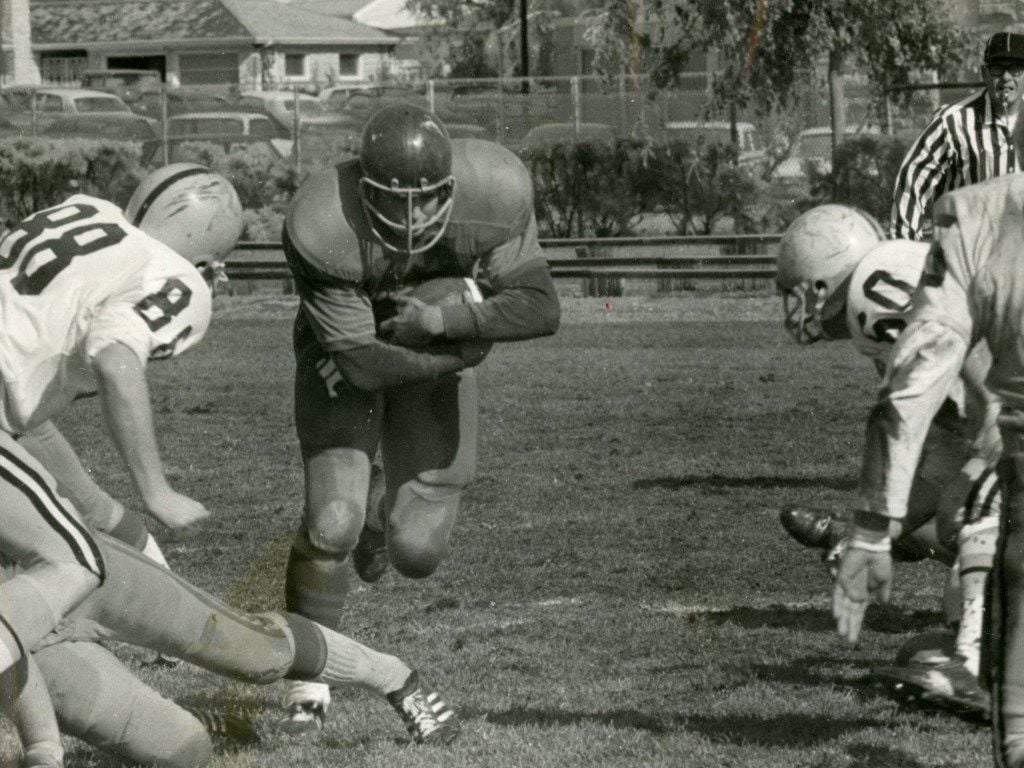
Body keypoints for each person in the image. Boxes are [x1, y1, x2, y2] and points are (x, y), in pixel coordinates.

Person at [278, 101, 561, 730]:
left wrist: (444, 321)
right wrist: (456, 354)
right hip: (348, 348)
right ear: (362, 188)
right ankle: (307, 680)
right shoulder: (325, 221)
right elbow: (360, 365)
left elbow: (542, 307)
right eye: (392, 200)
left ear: (453, 189)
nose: (411, 217)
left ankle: (384, 511)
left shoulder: (496, 190)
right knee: (330, 523)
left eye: (428, 199)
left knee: (416, 551)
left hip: (433, 342)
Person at [0, 162, 250, 695]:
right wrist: (156, 490)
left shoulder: (83, 210)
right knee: (72, 561)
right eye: (215, 264)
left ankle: (167, 629)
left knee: (82, 509)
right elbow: (116, 361)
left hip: (15, 411)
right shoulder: (178, 276)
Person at [826, 171, 1024, 766]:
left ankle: (974, 666)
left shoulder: (976, 219)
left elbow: (914, 387)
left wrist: (869, 529)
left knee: (991, 517)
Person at [776, 203, 1001, 715]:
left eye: (797, 291)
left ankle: (978, 664)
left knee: (971, 510)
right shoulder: (889, 275)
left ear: (820, 283)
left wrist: (994, 426)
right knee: (955, 525)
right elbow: (936, 447)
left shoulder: (875, 291)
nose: (796, 309)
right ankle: (983, 655)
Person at [6, 531, 460, 767]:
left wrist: (45, 752)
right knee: (184, 752)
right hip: (27, 641)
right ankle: (198, 720)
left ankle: (393, 676)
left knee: (258, 654)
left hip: (78, 575)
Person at [890, 30, 1024, 241]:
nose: (1006, 77)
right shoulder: (953, 120)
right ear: (984, 73)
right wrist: (903, 248)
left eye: (1016, 69)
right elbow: (914, 177)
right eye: (997, 68)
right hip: (964, 255)